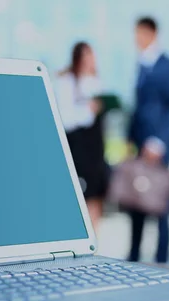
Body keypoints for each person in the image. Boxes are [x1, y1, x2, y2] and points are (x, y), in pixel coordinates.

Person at [127, 17, 169, 264]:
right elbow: (138, 108)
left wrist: (157, 141)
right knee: (136, 204)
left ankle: (162, 258)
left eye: (139, 34)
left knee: (161, 205)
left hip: (159, 149)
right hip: (140, 148)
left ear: (151, 33)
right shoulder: (142, 65)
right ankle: (134, 255)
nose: (136, 39)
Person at [56, 42, 106, 232]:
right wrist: (88, 109)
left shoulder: (96, 81)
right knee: (80, 197)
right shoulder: (67, 81)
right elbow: (66, 118)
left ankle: (95, 241)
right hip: (78, 147)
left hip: (96, 149)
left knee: (96, 198)